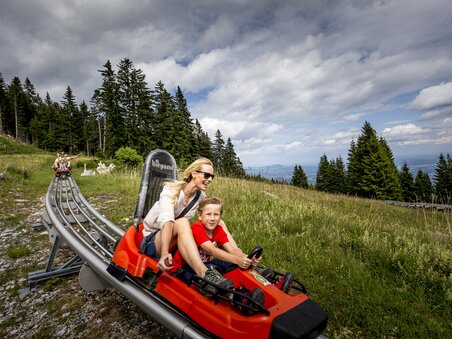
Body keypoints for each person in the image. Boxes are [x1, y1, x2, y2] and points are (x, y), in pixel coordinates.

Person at [140, 158, 234, 294]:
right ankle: (204, 273)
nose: (210, 180)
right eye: (206, 175)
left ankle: (240, 256)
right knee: (183, 222)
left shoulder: (201, 196)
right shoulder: (171, 190)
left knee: (218, 221)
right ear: (194, 173)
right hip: (154, 240)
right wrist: (165, 253)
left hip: (175, 239)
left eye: (212, 176)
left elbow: (205, 220)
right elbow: (168, 221)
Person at [170, 197, 265, 304]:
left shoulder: (218, 230)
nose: (212, 218)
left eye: (216, 215)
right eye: (208, 214)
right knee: (213, 268)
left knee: (227, 263)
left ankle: (261, 277)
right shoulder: (197, 227)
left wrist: (246, 257)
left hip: (206, 264)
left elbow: (232, 250)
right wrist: (237, 260)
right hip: (185, 268)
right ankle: (238, 298)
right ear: (200, 216)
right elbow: (211, 250)